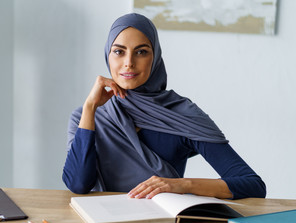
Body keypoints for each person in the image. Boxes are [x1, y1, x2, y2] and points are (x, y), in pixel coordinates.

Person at [62, 13, 266, 200]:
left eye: (141, 52)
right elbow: (78, 184)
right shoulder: (85, 117)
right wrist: (90, 108)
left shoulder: (181, 115)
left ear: (155, 57)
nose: (128, 63)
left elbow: (252, 185)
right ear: (108, 55)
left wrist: (182, 185)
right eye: (119, 52)